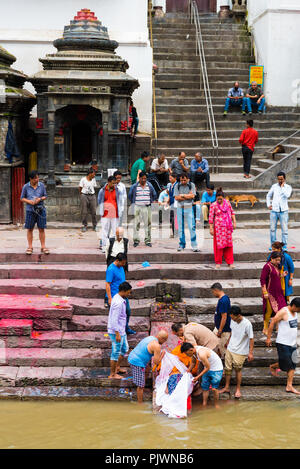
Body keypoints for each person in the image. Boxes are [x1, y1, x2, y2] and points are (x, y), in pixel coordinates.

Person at [266, 298, 300, 395]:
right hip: (283, 343)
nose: (299, 311)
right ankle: (273, 366)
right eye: (299, 309)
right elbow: (272, 321)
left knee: (293, 363)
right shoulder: (283, 312)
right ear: (294, 306)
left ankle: (289, 386)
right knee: (286, 363)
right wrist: (268, 338)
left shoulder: (295, 312)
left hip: (293, 342)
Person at [219, 305, 254, 399]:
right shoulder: (232, 320)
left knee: (238, 369)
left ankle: (238, 389)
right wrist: (228, 341)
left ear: (238, 315)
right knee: (227, 368)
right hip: (230, 348)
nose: (231, 318)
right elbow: (232, 331)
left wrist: (250, 352)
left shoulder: (247, 324)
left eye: (232, 317)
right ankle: (226, 387)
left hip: (241, 351)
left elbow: (251, 339)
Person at [128, 330, 168, 403]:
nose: (164, 342)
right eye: (165, 340)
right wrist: (162, 355)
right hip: (137, 362)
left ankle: (142, 382)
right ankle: (140, 403)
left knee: (148, 370)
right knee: (140, 386)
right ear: (163, 339)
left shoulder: (150, 337)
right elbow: (156, 362)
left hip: (133, 356)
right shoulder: (157, 346)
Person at [181, 342, 223, 408]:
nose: (186, 355)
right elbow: (193, 362)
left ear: (191, 350)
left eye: (186, 353)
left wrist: (197, 377)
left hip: (216, 369)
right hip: (207, 368)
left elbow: (207, 367)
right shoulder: (193, 352)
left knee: (214, 389)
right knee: (205, 388)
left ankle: (216, 405)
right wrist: (187, 371)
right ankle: (204, 404)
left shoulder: (201, 354)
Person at [105, 252, 135, 335]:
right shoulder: (111, 269)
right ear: (117, 260)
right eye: (123, 263)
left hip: (124, 293)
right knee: (117, 315)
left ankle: (126, 328)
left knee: (127, 311)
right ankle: (117, 332)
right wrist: (109, 298)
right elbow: (107, 284)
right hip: (115, 296)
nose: (124, 264)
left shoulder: (121, 267)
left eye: (125, 263)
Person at [107, 281, 132, 379]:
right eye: (128, 292)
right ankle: (112, 374)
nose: (129, 294)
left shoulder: (119, 298)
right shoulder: (118, 302)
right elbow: (114, 319)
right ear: (124, 291)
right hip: (116, 331)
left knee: (125, 349)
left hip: (121, 329)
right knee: (115, 352)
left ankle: (117, 367)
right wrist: (117, 333)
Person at [20, 170, 49, 255]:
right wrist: (30, 202)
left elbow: (45, 196)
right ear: (31, 179)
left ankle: (43, 247)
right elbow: (22, 198)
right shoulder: (26, 186)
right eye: (35, 178)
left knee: (41, 228)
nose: (37, 179)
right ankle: (30, 247)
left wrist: (40, 199)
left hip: (41, 210)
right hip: (30, 210)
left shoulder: (42, 186)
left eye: (37, 177)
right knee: (30, 229)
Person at [260, 251, 287, 335]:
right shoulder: (267, 266)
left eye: (279, 260)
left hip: (278, 292)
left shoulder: (277, 265)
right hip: (270, 293)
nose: (278, 262)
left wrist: (282, 275)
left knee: (280, 309)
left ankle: (278, 327)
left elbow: (276, 276)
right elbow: (262, 280)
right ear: (271, 258)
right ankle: (265, 328)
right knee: (268, 310)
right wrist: (265, 292)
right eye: (276, 260)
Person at [209, 187, 236, 269]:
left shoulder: (227, 203)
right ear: (216, 198)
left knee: (228, 245)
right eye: (218, 199)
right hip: (218, 228)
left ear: (223, 198)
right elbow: (210, 217)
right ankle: (218, 262)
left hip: (227, 227)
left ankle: (230, 262)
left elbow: (232, 212)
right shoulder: (213, 205)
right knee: (218, 245)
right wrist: (211, 228)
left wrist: (234, 222)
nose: (219, 200)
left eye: (221, 199)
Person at [128, 171, 157, 248]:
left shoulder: (149, 185)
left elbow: (154, 194)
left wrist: (150, 201)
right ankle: (136, 240)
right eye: (142, 178)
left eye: (145, 178)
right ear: (139, 178)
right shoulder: (134, 186)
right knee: (136, 224)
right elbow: (130, 195)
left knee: (148, 224)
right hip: (137, 206)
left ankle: (147, 240)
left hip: (147, 207)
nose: (144, 180)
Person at [266, 171, 292, 251]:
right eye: (279, 179)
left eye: (281, 179)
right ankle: (273, 245)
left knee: (284, 230)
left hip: (283, 211)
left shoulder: (288, 187)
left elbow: (287, 195)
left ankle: (284, 246)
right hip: (274, 210)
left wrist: (282, 187)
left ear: (284, 179)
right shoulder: (274, 186)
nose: (280, 181)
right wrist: (268, 204)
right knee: (272, 229)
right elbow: (268, 195)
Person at [174, 172, 199, 252]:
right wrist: (187, 196)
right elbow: (176, 198)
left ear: (188, 179)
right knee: (180, 228)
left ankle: (194, 245)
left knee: (191, 227)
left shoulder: (192, 185)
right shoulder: (177, 185)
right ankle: (181, 245)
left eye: (184, 180)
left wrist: (182, 195)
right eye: (182, 180)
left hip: (189, 207)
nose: (183, 182)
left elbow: (192, 196)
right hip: (179, 207)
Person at [98, 175, 121, 252]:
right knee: (104, 231)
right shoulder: (102, 191)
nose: (114, 185)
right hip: (105, 214)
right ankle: (104, 247)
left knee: (114, 231)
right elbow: (99, 201)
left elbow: (119, 201)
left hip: (114, 214)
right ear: (108, 182)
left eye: (115, 183)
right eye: (112, 183)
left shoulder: (117, 190)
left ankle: (113, 247)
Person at [211, 282, 231, 358]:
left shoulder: (223, 301)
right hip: (218, 327)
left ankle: (228, 366)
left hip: (223, 330)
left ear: (216, 290)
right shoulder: (223, 298)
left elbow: (224, 317)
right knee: (215, 345)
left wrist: (220, 331)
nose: (213, 294)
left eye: (213, 292)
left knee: (223, 349)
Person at [79, 168, 97, 232]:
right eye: (93, 174)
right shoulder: (83, 180)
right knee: (84, 211)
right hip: (84, 195)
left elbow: (93, 187)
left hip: (92, 195)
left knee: (94, 211)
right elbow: (80, 188)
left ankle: (94, 225)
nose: (94, 175)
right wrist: (82, 195)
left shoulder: (93, 180)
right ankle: (84, 225)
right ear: (90, 174)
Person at [166, 172, 178, 237]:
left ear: (175, 178)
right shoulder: (170, 185)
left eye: (171, 178)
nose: (170, 179)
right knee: (173, 218)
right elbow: (170, 195)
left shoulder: (177, 185)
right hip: (171, 203)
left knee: (175, 219)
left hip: (176, 204)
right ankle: (174, 232)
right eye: (169, 178)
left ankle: (176, 233)